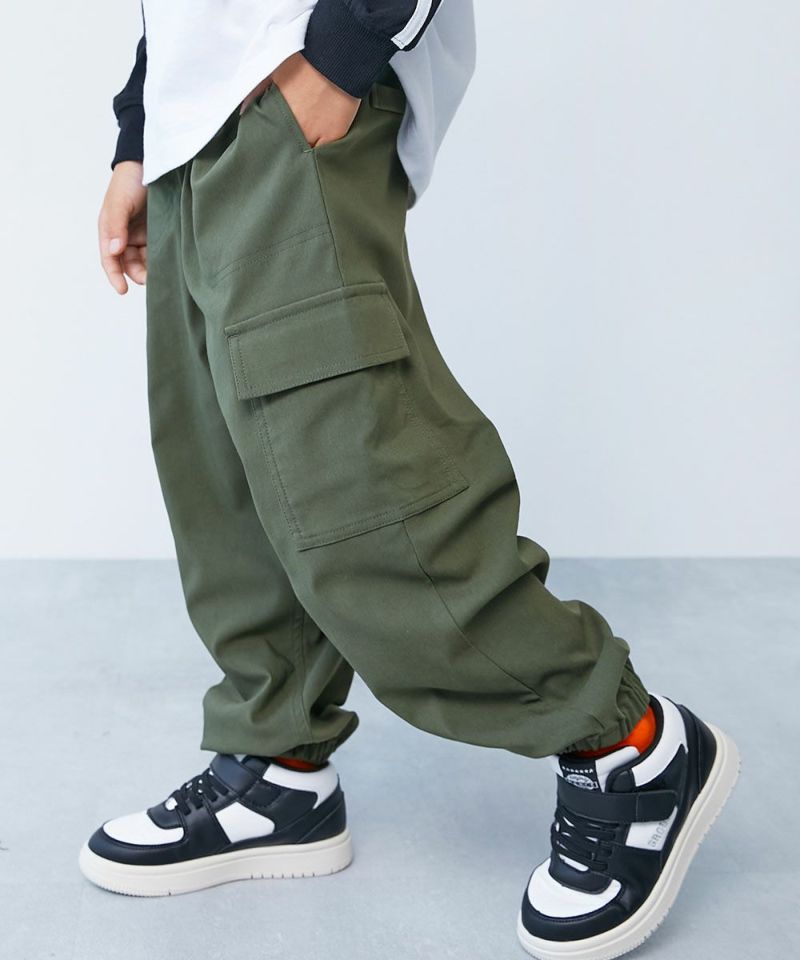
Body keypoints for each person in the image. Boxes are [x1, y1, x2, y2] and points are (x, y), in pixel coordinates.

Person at [80, 3, 739, 957]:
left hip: (285, 84)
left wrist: (342, 52)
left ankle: (629, 743)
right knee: (226, 485)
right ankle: (279, 768)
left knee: (357, 488)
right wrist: (139, 135)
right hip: (195, 126)